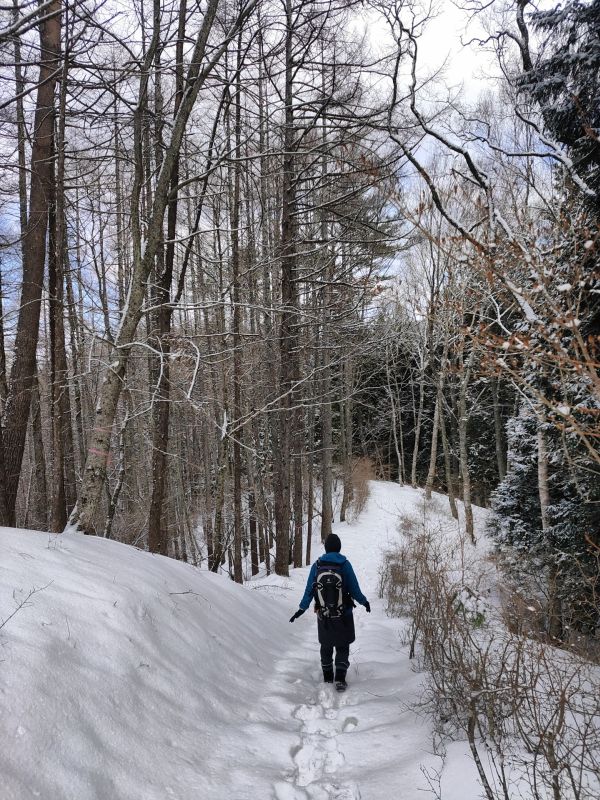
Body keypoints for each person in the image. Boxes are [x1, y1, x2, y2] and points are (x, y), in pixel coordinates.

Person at [289, 533, 370, 691]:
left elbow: (309, 591)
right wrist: (364, 602)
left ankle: (327, 677)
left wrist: (301, 609)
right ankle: (340, 678)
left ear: (326, 549)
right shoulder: (345, 564)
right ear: (339, 548)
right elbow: (354, 589)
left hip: (323, 615)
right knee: (342, 646)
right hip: (343, 614)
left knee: (326, 645)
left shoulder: (317, 566)